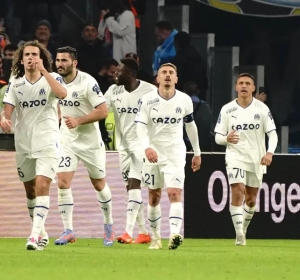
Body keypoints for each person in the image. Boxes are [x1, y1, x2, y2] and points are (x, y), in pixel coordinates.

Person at [1, 40, 67, 250]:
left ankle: (33, 236)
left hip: (47, 141)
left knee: (42, 186)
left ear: (41, 58)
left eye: (35, 55)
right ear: (22, 59)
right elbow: (8, 107)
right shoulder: (16, 83)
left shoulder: (53, 78)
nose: (31, 58)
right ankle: (43, 232)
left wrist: (45, 72)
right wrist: (5, 119)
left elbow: (62, 94)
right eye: (27, 55)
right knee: (30, 192)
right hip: (23, 143)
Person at [135, 63, 202, 250]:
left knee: (174, 193)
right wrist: (146, 147)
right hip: (152, 154)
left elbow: (190, 126)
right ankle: (156, 238)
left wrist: (197, 152)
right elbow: (140, 126)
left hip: (175, 153)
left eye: (171, 73)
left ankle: (174, 234)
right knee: (154, 196)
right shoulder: (147, 100)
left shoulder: (184, 100)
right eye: (163, 72)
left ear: (176, 79)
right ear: (157, 78)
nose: (167, 75)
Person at [53, 46, 114, 247]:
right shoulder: (55, 81)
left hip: (89, 142)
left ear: (74, 63)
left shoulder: (88, 82)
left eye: (64, 60)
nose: (60, 64)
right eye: (58, 60)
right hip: (67, 140)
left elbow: (103, 111)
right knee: (62, 182)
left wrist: (79, 121)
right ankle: (68, 230)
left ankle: (108, 226)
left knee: (99, 184)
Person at [214, 73, 278, 246]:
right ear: (236, 87)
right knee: (237, 190)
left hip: (256, 158)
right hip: (235, 156)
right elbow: (217, 137)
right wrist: (226, 138)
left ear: (253, 88)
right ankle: (239, 234)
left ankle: (244, 228)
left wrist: (269, 153)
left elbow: (272, 134)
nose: (243, 86)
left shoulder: (262, 109)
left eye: (247, 83)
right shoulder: (227, 109)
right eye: (240, 83)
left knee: (250, 199)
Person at [104, 57, 156, 244]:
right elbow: (102, 109)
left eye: (120, 70)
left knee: (134, 186)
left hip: (142, 146)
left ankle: (127, 232)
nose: (116, 73)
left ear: (131, 74)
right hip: (123, 147)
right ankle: (143, 233)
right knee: (131, 190)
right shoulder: (113, 91)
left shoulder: (150, 92)